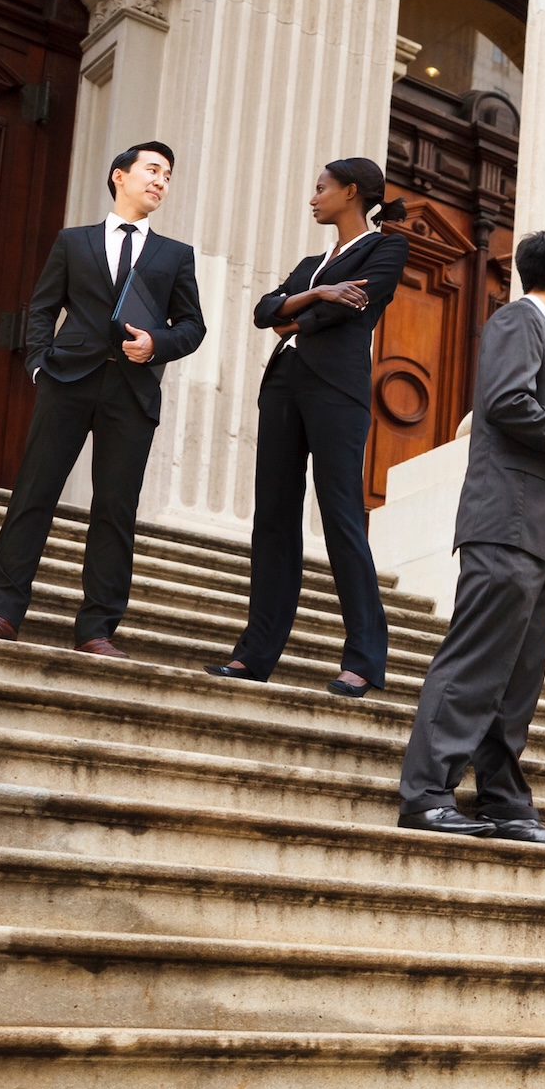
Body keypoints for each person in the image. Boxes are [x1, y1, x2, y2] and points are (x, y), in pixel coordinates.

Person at [395, 227, 545, 845]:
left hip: (536, 536)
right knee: (473, 665)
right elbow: (507, 404)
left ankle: (502, 802)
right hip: (506, 525)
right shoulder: (518, 322)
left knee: (516, 679)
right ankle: (426, 794)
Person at [0, 142, 206, 658]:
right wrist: (38, 364)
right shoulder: (73, 241)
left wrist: (155, 344)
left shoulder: (175, 255)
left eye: (168, 175)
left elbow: (193, 327)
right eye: (152, 170)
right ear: (120, 175)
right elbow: (43, 306)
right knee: (34, 495)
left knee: (114, 512)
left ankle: (97, 630)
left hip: (132, 393)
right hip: (67, 382)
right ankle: (4, 612)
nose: (161, 181)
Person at [205, 158, 410, 697]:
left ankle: (364, 659)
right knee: (272, 518)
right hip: (283, 385)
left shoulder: (388, 247)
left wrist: (299, 316)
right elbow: (263, 313)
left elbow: (358, 307)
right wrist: (319, 295)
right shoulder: (310, 263)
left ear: (350, 192)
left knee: (341, 516)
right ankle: (254, 656)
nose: (313, 197)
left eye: (321, 188)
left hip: (337, 391)